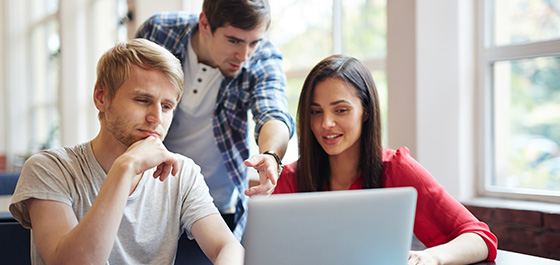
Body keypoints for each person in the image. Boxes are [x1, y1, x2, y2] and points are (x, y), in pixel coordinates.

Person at [9, 39, 244, 265]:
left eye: (167, 106)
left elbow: (228, 247)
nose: (156, 118)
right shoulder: (49, 168)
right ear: (101, 97)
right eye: (142, 100)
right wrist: (126, 166)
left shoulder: (182, 173)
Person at [270, 55, 498, 265]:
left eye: (340, 110)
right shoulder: (290, 180)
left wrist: (432, 257)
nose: (325, 123)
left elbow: (480, 238)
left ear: (365, 111)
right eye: (316, 112)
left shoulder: (396, 169)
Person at [135, 0, 295, 240]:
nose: (244, 56)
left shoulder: (261, 57)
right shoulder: (158, 33)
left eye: (254, 42)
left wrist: (271, 154)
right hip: (148, 200)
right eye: (234, 41)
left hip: (214, 208)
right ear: (205, 23)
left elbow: (273, 111)